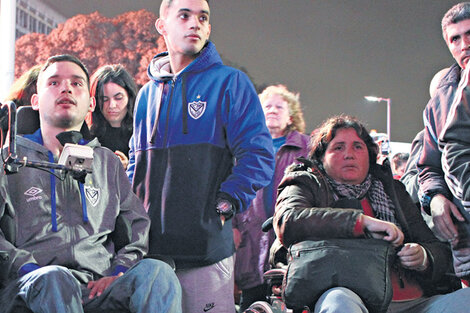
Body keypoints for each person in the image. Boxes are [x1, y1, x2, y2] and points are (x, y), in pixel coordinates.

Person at [0, 54, 182, 313]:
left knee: (157, 273)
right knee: (55, 279)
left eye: (76, 83)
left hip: (98, 288)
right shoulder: (10, 161)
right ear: (36, 101)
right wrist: (26, 267)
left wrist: (119, 272)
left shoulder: (106, 162)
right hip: (32, 283)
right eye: (54, 83)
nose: (66, 88)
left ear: (90, 103)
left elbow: (136, 228)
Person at [127, 1, 275, 312]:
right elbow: (134, 163)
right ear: (162, 25)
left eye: (203, 17)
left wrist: (225, 204)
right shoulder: (145, 95)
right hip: (149, 252)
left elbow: (259, 155)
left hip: (205, 252)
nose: (195, 23)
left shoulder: (230, 83)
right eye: (184, 15)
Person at [272, 115, 466, 312]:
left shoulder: (393, 190)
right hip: (351, 296)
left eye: (358, 147)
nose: (349, 154)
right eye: (338, 147)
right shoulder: (306, 183)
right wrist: (360, 223)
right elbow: (288, 220)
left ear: (370, 155)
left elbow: (438, 249)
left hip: (416, 300)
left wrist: (424, 257)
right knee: (338, 301)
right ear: (321, 157)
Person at [232, 84, 310, 311]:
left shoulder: (305, 147)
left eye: (279, 106)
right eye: (267, 106)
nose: (272, 110)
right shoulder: (244, 147)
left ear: (291, 116)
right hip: (250, 240)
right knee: (251, 303)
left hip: (291, 242)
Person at [417, 2, 470, 280]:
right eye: (456, 38)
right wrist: (435, 198)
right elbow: (428, 166)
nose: (465, 44)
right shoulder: (439, 102)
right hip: (466, 243)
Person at [88, 64, 137, 169]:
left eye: (118, 98)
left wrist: (130, 167)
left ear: (129, 97)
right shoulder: (87, 136)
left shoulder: (142, 134)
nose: (111, 105)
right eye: (104, 99)